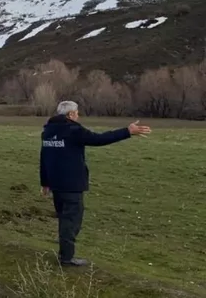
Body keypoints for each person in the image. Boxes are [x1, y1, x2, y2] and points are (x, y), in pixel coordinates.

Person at [40, 100, 151, 267]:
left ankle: (65, 251)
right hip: (71, 185)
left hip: (56, 184)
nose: (78, 115)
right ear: (71, 114)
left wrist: (45, 182)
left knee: (65, 219)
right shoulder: (73, 130)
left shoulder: (48, 130)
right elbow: (99, 139)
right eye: (77, 112)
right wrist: (127, 131)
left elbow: (44, 157)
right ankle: (66, 258)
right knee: (71, 222)